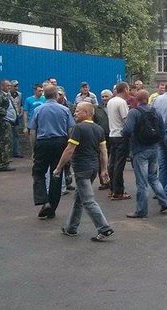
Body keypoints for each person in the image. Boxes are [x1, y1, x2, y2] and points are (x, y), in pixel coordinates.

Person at [54, 102, 114, 242]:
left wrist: (59, 167)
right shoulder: (98, 129)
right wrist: (104, 169)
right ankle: (71, 228)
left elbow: (69, 150)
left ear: (87, 113)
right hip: (93, 168)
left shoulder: (78, 128)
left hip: (82, 168)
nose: (75, 113)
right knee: (79, 198)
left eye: (78, 111)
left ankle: (104, 228)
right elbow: (103, 151)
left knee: (88, 200)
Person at [122, 90, 167, 218]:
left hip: (140, 149)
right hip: (154, 148)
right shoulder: (155, 112)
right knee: (153, 178)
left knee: (142, 182)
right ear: (148, 98)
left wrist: (131, 139)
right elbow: (162, 130)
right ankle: (165, 201)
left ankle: (141, 211)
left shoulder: (134, 112)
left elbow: (127, 130)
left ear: (137, 99)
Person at [29, 84, 75, 218]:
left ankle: (43, 200)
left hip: (43, 142)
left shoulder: (38, 110)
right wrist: (69, 146)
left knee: (38, 172)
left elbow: (32, 131)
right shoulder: (64, 110)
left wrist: (33, 148)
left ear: (44, 95)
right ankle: (52, 207)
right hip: (60, 142)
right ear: (56, 95)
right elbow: (71, 129)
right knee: (56, 173)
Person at [106, 82, 130, 200]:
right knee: (119, 164)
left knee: (112, 163)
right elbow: (126, 120)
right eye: (128, 89)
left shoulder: (110, 101)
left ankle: (112, 189)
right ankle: (118, 191)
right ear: (124, 89)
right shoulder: (122, 102)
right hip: (121, 135)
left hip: (112, 134)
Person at [151, 81, 167, 189]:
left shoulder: (157, 99)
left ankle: (161, 189)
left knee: (163, 163)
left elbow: (152, 114)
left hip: (159, 132)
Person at [0, 79, 16, 172]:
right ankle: (3, 163)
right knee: (5, 143)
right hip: (3, 122)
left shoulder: (7, 95)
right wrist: (4, 113)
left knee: (4, 142)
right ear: (2, 86)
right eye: (7, 85)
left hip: (7, 121)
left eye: (10, 86)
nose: (9, 87)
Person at [9, 80, 24, 158]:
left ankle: (16, 152)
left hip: (17, 116)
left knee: (16, 134)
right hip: (9, 117)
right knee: (8, 134)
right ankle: (8, 152)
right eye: (15, 86)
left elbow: (21, 104)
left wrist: (21, 112)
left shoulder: (19, 95)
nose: (16, 88)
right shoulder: (7, 95)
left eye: (17, 86)